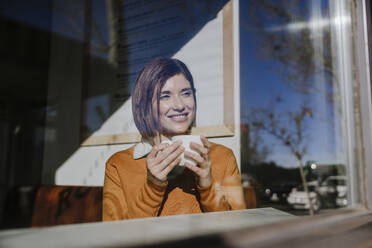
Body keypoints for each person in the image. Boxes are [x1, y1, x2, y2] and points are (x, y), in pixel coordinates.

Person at [102, 57, 246, 221]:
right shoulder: (119, 164)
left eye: (186, 93)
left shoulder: (223, 156)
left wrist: (207, 186)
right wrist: (152, 187)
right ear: (145, 105)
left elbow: (236, 228)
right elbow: (116, 237)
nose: (179, 105)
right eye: (165, 96)